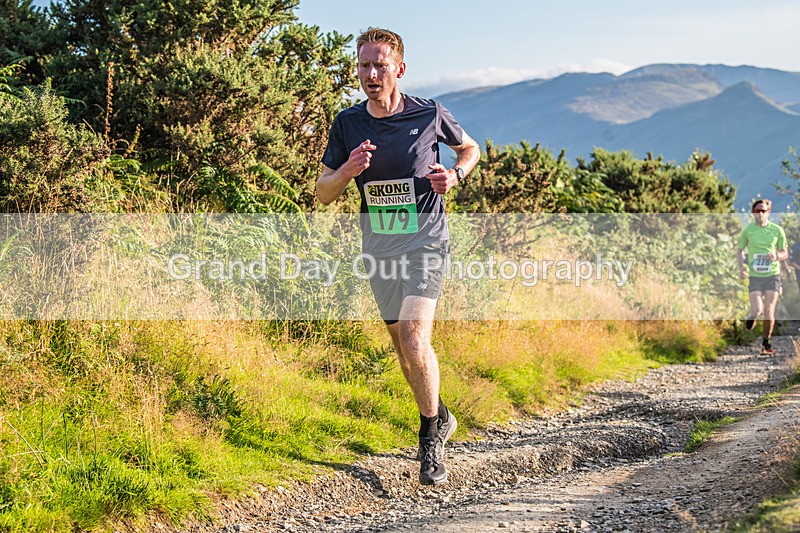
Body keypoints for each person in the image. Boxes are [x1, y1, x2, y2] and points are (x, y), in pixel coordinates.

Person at [316, 28, 481, 485]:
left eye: (380, 65)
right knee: (404, 348)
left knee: (413, 334)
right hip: (380, 248)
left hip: (426, 241)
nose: (371, 74)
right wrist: (348, 170)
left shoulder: (428, 114)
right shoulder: (347, 123)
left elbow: (472, 148)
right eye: (364, 65)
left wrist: (455, 174)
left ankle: (430, 439)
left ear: (399, 69)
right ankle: (441, 414)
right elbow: (323, 193)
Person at [736, 199, 787, 355]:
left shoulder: (777, 230)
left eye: (763, 211)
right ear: (753, 213)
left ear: (768, 212)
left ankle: (766, 342)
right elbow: (739, 251)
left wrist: (776, 256)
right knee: (758, 309)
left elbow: (785, 253)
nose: (760, 214)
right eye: (757, 211)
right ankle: (752, 315)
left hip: (772, 274)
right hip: (755, 276)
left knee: (769, 309)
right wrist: (741, 269)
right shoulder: (747, 230)